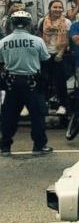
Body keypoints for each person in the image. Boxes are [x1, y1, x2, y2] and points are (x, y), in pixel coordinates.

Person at [0, 10, 53, 156]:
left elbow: (1, 62)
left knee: (9, 116)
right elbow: (46, 60)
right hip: (32, 82)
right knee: (37, 116)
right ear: (28, 24)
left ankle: (5, 147)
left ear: (12, 24)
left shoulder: (3, 42)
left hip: (12, 82)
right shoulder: (37, 41)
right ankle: (39, 146)